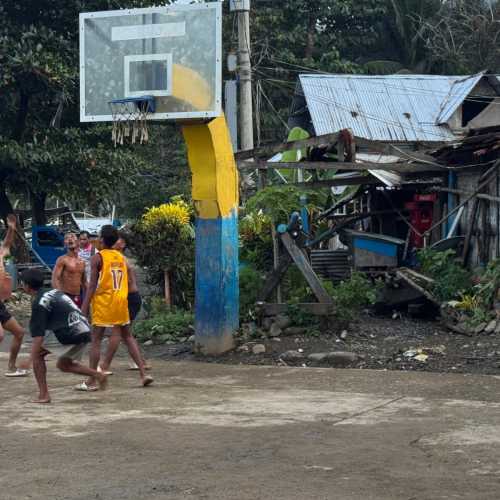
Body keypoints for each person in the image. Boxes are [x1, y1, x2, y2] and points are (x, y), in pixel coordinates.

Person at [21, 268, 108, 404]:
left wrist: (29, 359)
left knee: (37, 355)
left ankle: (44, 395)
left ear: (26, 286)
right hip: (84, 329)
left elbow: (38, 337)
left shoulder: (39, 303)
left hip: (71, 332)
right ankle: (97, 374)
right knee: (64, 365)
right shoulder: (54, 292)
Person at [82, 225, 153, 389]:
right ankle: (143, 373)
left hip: (104, 302)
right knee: (128, 336)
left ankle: (92, 380)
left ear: (102, 239)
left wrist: (84, 308)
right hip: (121, 301)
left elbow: (92, 285)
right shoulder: (121, 258)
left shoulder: (97, 258)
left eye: (99, 236)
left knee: (96, 339)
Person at [99, 232, 151, 372]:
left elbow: (125, 281)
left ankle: (105, 366)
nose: (115, 242)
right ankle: (142, 363)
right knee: (125, 333)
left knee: (119, 332)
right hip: (125, 298)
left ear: (123, 244)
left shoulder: (121, 259)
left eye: (118, 240)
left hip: (129, 298)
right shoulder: (115, 258)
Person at [0, 214, 30, 377]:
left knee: (19, 332)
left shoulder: (1, 253)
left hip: (0, 304)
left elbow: (7, 243)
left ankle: (11, 366)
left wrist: (11, 227)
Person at [52, 232, 86, 307]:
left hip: (78, 296)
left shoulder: (82, 262)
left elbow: (84, 282)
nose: (70, 239)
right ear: (65, 244)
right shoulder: (62, 260)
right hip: (65, 296)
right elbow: (55, 279)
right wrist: (60, 297)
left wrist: (88, 298)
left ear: (77, 241)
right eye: (67, 238)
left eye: (73, 237)